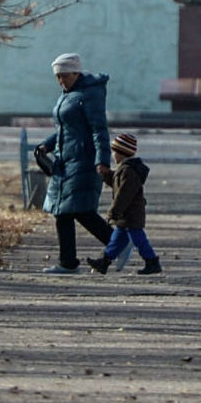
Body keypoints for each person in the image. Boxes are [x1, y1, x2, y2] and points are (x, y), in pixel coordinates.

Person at [36, 52, 113, 273]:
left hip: (83, 160)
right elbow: (65, 129)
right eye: (58, 77)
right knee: (62, 212)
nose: (61, 81)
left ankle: (118, 242)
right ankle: (67, 263)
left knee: (81, 210)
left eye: (65, 76)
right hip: (64, 160)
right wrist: (47, 146)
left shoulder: (90, 94)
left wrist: (102, 160)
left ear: (76, 72)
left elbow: (99, 130)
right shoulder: (67, 94)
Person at [101, 133, 161, 275]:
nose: (113, 155)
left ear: (121, 154)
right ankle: (104, 262)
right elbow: (117, 184)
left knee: (139, 239)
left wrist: (113, 212)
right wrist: (106, 175)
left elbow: (123, 194)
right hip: (126, 215)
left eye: (114, 152)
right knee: (116, 240)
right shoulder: (124, 170)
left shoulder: (128, 171)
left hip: (131, 214)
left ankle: (152, 261)